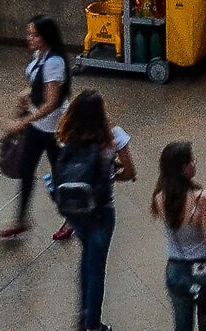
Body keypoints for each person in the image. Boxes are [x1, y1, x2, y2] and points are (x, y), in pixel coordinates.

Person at [54, 90, 139, 331]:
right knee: (96, 268)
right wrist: (111, 174)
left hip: (74, 209)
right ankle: (93, 324)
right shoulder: (113, 137)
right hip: (101, 210)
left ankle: (83, 313)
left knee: (87, 256)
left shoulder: (67, 136)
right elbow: (130, 172)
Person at [0, 14, 73, 239]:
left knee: (60, 175)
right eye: (29, 34)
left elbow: (52, 102)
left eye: (35, 35)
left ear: (46, 36)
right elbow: (40, 84)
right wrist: (28, 92)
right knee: (26, 170)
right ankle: (21, 219)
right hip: (38, 125)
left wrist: (22, 122)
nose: (30, 38)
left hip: (53, 130)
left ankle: (72, 216)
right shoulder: (40, 55)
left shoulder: (54, 63)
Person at [153, 140, 206, 331]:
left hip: (175, 270)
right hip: (203, 271)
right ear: (184, 169)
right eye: (192, 160)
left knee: (182, 325)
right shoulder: (202, 199)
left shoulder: (159, 197)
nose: (194, 163)